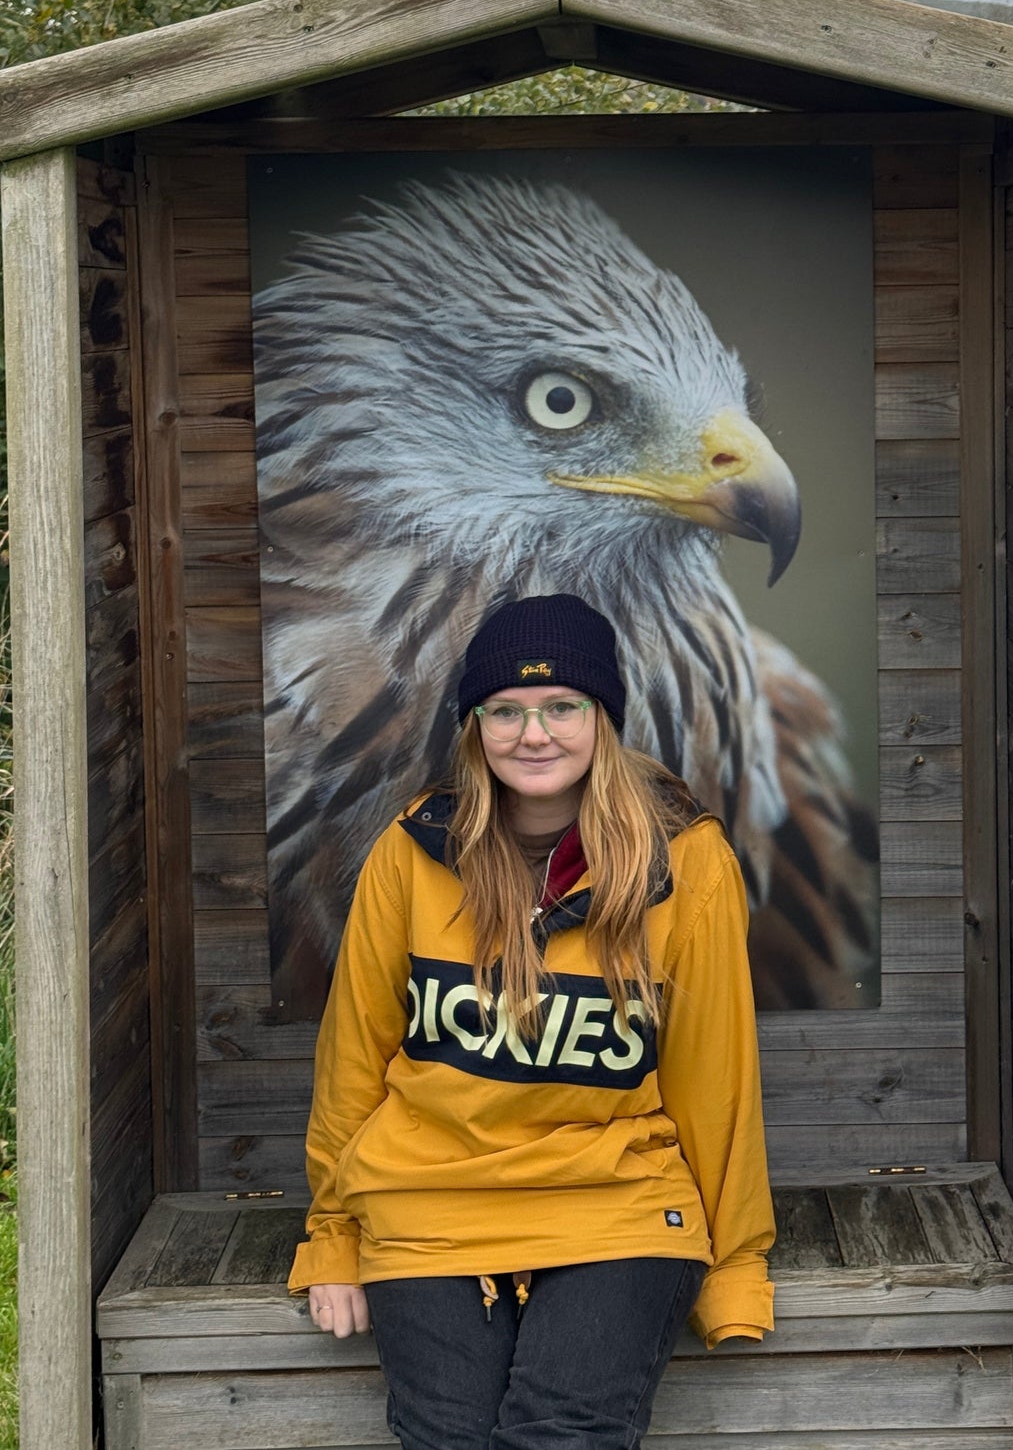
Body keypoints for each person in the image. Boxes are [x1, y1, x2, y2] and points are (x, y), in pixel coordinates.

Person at [286, 593, 775, 1449]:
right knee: (450, 1438)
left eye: (562, 708)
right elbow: (353, 1058)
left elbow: (716, 1082)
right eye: (505, 712)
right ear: (474, 726)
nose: (533, 734)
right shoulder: (414, 850)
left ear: (603, 717)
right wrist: (331, 1237)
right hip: (428, 1199)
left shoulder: (686, 860)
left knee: (563, 1434)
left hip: (614, 1199)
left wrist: (734, 1269)